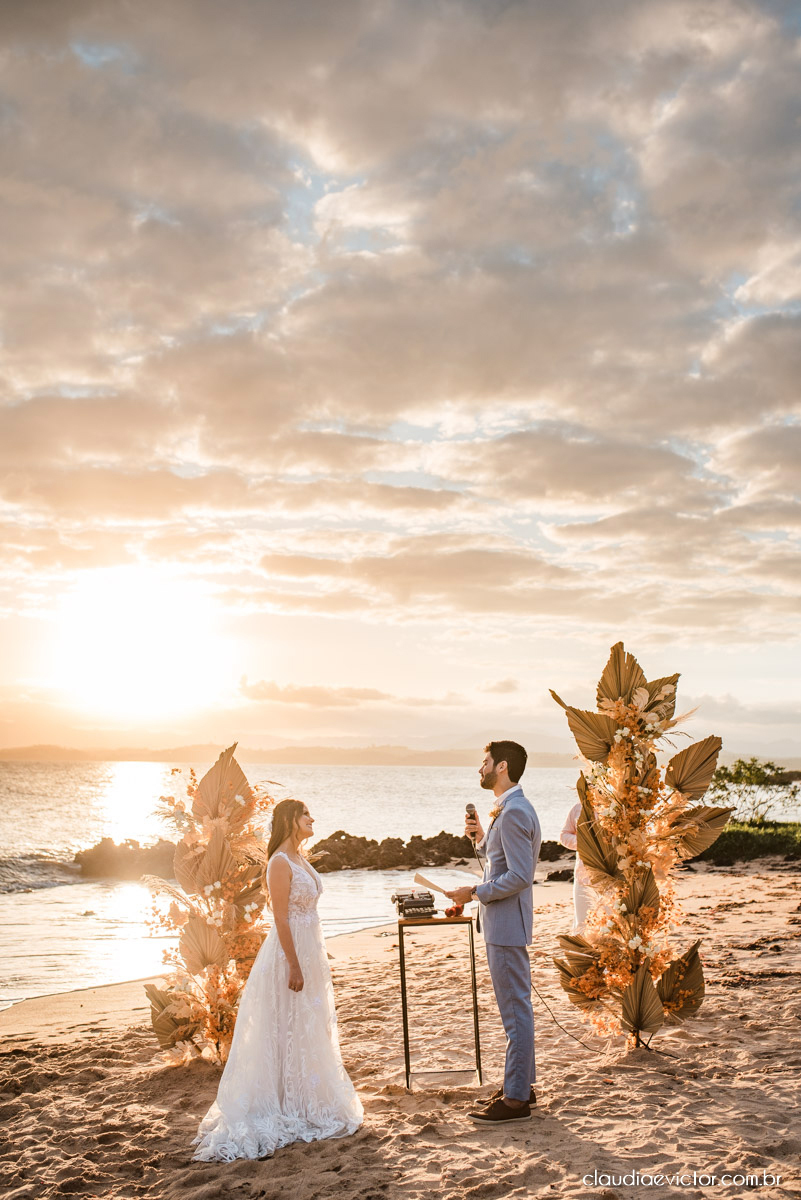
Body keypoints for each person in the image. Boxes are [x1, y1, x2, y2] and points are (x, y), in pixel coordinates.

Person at [192, 799, 363, 1162]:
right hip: (289, 954)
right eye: (306, 815)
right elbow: (281, 919)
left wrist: (312, 960)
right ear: (289, 820)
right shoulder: (279, 863)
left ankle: (304, 1094)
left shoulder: (300, 858)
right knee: (283, 1024)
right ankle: (281, 1102)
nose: (312, 818)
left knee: (305, 1023)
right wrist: (295, 966)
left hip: (310, 950)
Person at [446, 740, 541, 1125]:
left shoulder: (516, 811)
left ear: (501, 766)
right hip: (504, 923)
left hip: (505, 925)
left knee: (515, 1011)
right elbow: (501, 861)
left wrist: (474, 892)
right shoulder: (512, 809)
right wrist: (481, 839)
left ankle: (516, 1100)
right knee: (516, 1008)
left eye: (484, 763)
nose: (480, 769)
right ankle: (523, 1086)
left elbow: (520, 876)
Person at [559, 800, 595, 933]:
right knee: (582, 922)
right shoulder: (578, 808)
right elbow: (564, 835)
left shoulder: (614, 807)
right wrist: (583, 843)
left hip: (608, 877)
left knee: (608, 923)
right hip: (583, 876)